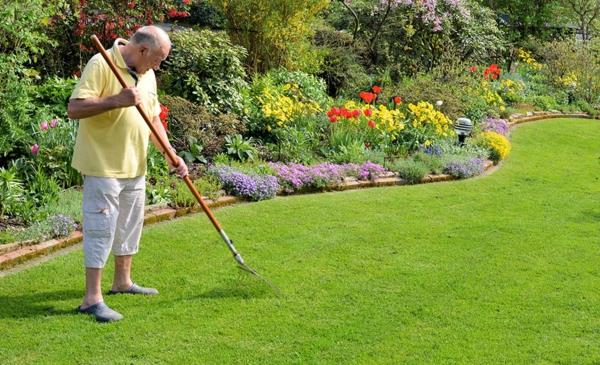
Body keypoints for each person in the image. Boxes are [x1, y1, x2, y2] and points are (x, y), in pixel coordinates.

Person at [67, 25, 188, 322]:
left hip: (135, 165)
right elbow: (74, 108)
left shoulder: (148, 75)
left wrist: (171, 155)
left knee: (129, 227)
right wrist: (116, 100)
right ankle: (91, 299)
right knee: (101, 229)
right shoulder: (100, 63)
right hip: (102, 165)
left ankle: (122, 282)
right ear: (143, 50)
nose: (159, 65)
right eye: (159, 59)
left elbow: (153, 119)